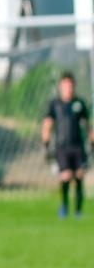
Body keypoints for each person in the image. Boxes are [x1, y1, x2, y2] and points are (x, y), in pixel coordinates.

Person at [42, 71, 89, 219]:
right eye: (66, 85)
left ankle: (79, 211)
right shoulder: (55, 104)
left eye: (71, 85)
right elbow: (48, 124)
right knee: (66, 176)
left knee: (79, 175)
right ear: (61, 86)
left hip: (78, 146)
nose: (69, 88)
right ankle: (64, 207)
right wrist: (46, 145)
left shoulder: (79, 104)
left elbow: (87, 125)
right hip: (62, 146)